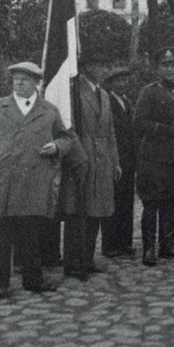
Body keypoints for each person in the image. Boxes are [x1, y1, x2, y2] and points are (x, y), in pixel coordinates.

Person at [0, 62, 72, 299]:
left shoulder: (49, 110)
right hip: (4, 182)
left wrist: (56, 146)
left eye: (25, 79)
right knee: (1, 234)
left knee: (31, 233)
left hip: (34, 182)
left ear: (37, 83)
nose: (19, 83)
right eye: (15, 79)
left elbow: (65, 138)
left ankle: (33, 281)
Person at [60, 53, 121, 279]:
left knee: (96, 211)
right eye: (97, 63)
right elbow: (68, 127)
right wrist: (78, 155)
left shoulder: (104, 94)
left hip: (102, 158)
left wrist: (115, 161)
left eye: (105, 64)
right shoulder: (73, 93)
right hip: (81, 156)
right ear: (85, 66)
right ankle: (72, 261)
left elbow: (110, 131)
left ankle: (87, 258)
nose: (103, 68)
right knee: (77, 210)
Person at [134, 47, 174, 265]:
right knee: (152, 203)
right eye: (165, 65)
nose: (170, 69)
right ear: (157, 68)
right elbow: (139, 122)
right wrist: (164, 130)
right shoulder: (149, 92)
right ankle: (149, 248)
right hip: (154, 156)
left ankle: (167, 243)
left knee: (172, 200)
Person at [102, 67, 137, 257]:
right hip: (114, 158)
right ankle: (110, 244)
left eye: (126, 80)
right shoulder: (107, 101)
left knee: (127, 202)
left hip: (129, 160)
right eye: (119, 80)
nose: (123, 83)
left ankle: (125, 241)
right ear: (111, 83)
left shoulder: (127, 102)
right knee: (113, 202)